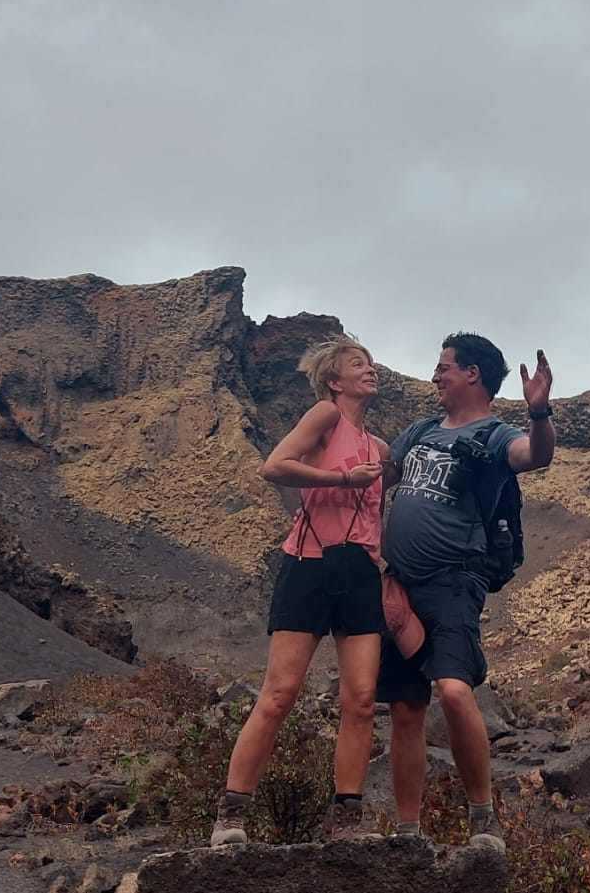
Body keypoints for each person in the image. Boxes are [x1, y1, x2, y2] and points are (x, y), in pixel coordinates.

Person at [378, 332, 554, 851]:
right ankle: (407, 834)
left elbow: (535, 456)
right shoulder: (420, 431)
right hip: (399, 586)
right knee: (406, 708)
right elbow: (379, 478)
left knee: (453, 691)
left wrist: (540, 414)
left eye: (444, 367)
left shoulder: (496, 435)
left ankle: (484, 820)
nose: (435, 376)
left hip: (454, 580)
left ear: (472, 374)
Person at [211, 335, 389, 846]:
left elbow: (378, 511)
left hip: (359, 571)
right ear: (335, 381)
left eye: (371, 362)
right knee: (280, 694)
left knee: (360, 700)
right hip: (308, 563)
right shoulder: (324, 416)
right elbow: (274, 466)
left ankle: (347, 824)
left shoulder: (377, 446)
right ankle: (230, 816)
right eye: (359, 363)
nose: (370, 370)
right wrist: (342, 479)